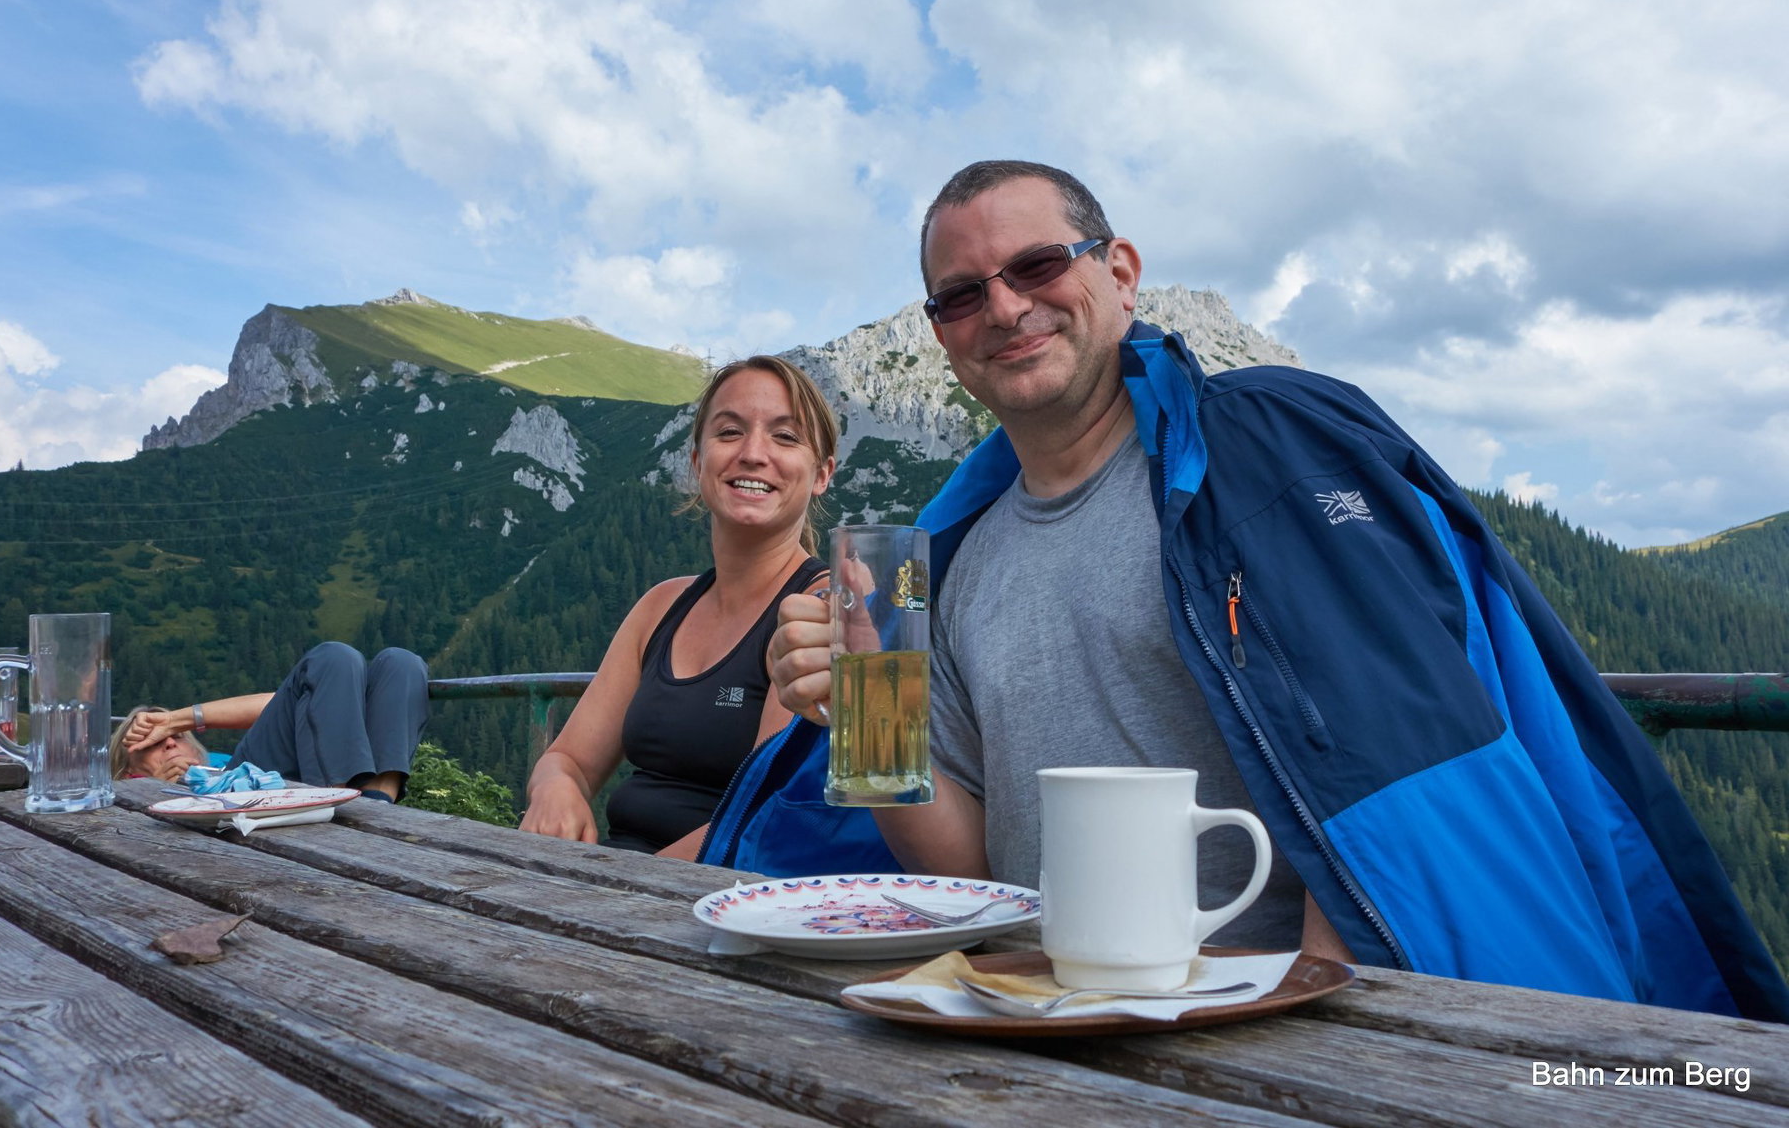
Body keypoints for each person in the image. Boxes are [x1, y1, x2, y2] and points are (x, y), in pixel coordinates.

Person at [732, 159, 1789, 1021]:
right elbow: (965, 860)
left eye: (1038, 264)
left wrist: (1316, 1006)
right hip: (1050, 1013)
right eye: (962, 294)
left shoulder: (1260, 458)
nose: (1004, 306)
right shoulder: (950, 554)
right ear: (941, 335)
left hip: (1273, 1014)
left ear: (1121, 270)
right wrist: (864, 725)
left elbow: (1387, 753)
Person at [520, 356, 838, 859]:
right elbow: (569, 759)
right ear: (697, 462)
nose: (754, 454)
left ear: (822, 475)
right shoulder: (662, 605)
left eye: (785, 436)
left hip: (718, 898)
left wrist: (611, 887)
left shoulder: (819, 610)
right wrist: (555, 787)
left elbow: (761, 817)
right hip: (618, 878)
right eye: (730, 431)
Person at [114, 642, 429, 802]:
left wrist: (173, 719)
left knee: (401, 664)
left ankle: (376, 802)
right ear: (128, 770)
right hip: (234, 800)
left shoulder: (216, 762)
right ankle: (340, 799)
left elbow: (280, 702)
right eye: (150, 743)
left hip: (271, 777)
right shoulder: (128, 793)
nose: (168, 741)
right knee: (332, 656)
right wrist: (157, 791)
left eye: (176, 736)